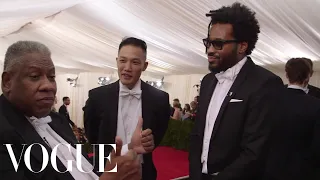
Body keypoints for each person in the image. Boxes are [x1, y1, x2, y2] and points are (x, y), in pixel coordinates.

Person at [0, 40, 141, 180]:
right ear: (7, 82)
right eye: (34, 76)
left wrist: (125, 153)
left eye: (51, 77)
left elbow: (83, 168)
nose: (48, 86)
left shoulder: (57, 120)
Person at [189, 3, 283, 180]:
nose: (209, 50)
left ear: (242, 47)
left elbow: (255, 151)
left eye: (218, 44)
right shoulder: (208, 81)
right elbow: (197, 135)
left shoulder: (265, 84)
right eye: (209, 42)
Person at [84, 37, 171, 180]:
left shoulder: (160, 98)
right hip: (105, 172)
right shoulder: (97, 97)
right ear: (117, 61)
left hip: (143, 173)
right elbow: (92, 135)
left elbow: (158, 134)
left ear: (145, 65)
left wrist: (150, 142)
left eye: (135, 62)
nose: (127, 68)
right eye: (123, 60)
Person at [262, 58, 320, 180]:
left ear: (287, 75)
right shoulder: (316, 105)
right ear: (308, 76)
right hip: (303, 170)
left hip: (270, 167)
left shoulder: (268, 100)